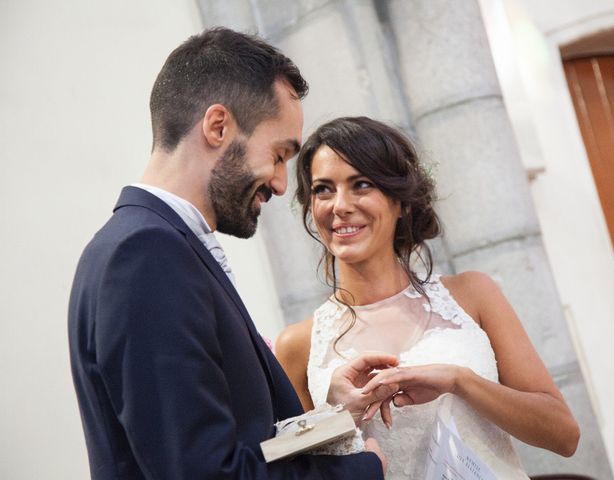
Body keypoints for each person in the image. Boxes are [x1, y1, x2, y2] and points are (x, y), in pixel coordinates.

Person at [68, 29, 395, 479]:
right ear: (218, 126)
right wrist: (361, 471)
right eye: (279, 155)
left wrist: (332, 417)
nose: (282, 183)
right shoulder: (145, 255)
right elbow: (204, 473)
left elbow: (229, 437)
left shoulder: (155, 243)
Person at [276, 116, 581, 479]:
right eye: (323, 189)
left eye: (360, 184)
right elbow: (291, 467)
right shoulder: (298, 344)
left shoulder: (473, 295)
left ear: (401, 202)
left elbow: (564, 436)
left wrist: (460, 381)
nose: (339, 205)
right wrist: (338, 416)